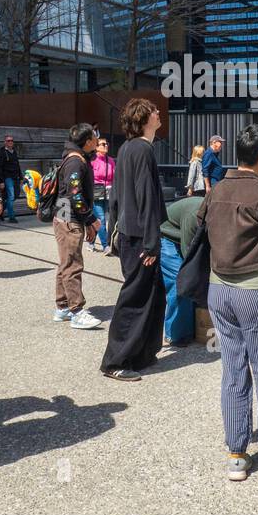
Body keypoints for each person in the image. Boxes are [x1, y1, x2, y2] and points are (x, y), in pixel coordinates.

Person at [200, 124, 258, 482]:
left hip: (218, 290)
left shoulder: (218, 190)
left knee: (233, 368)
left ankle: (237, 453)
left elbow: (200, 229)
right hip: (256, 289)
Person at [101, 98, 166, 381]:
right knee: (136, 299)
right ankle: (116, 361)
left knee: (153, 295)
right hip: (141, 238)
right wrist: (152, 241)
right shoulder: (141, 149)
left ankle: (141, 353)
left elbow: (116, 196)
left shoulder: (128, 148)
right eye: (154, 111)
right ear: (143, 118)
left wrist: (114, 230)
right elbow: (147, 197)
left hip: (131, 234)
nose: (158, 113)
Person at [51, 123, 103, 330]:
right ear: (88, 140)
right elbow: (75, 195)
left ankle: (63, 307)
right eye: (95, 136)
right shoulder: (75, 161)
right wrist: (91, 219)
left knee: (66, 262)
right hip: (68, 216)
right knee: (72, 263)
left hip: (67, 215)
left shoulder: (76, 157)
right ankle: (76, 311)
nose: (98, 139)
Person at [159, 194, 202, 347]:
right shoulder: (194, 215)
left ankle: (193, 327)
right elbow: (188, 253)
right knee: (181, 281)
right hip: (166, 237)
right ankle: (175, 334)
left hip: (183, 236)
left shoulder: (215, 212)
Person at [90, 136, 115, 253]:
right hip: (96, 192)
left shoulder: (110, 160)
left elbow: (115, 177)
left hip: (108, 192)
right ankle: (106, 245)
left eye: (107, 144)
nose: (106, 146)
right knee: (102, 218)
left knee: (100, 218)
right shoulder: (93, 160)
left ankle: (91, 242)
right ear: (96, 147)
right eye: (103, 144)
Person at [0, 134, 22, 223]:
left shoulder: (14, 151)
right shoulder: (2, 152)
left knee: (15, 195)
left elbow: (17, 165)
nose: (10, 142)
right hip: (7, 177)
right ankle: (11, 217)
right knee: (11, 196)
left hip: (16, 177)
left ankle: (1, 210)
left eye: (11, 140)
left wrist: (21, 177)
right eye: (8, 141)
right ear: (5, 142)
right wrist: (1, 181)